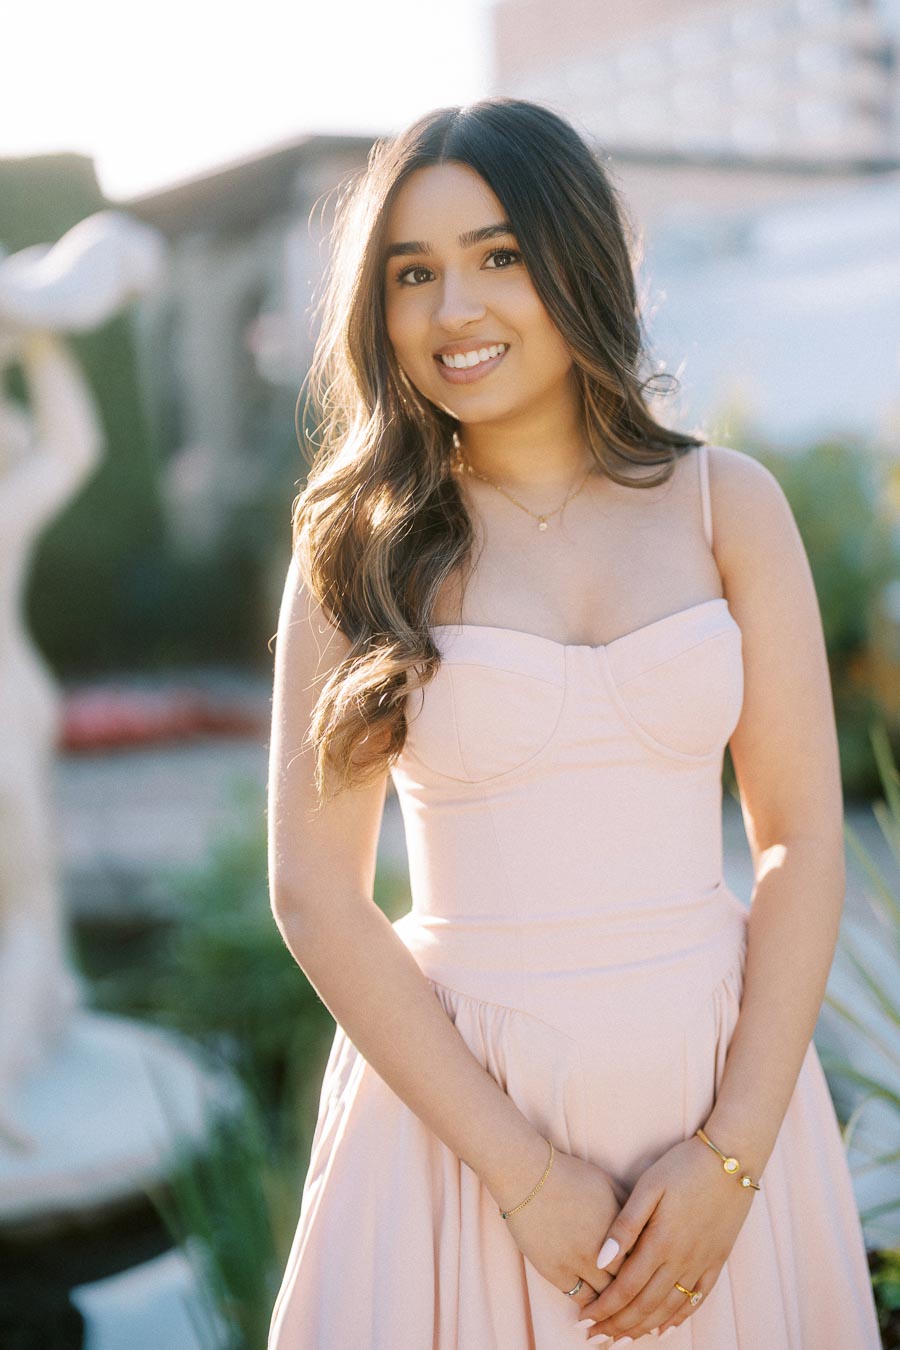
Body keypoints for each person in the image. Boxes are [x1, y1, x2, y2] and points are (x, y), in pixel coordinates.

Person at [266, 97, 881, 1348]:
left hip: (717, 1090)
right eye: (413, 274)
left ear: (578, 258)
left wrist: (734, 1161)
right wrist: (526, 1178)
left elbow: (801, 839)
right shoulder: (358, 545)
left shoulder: (728, 506)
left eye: (499, 255)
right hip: (463, 1127)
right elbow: (315, 895)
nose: (455, 311)